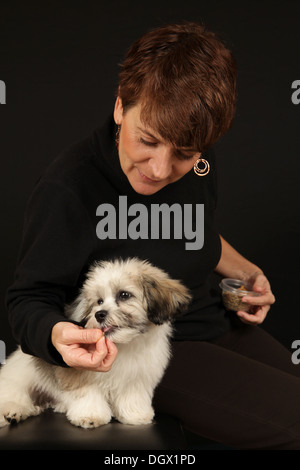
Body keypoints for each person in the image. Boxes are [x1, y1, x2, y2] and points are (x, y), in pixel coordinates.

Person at [5, 22, 300, 450]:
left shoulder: (196, 149)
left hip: (211, 320)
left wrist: (245, 270)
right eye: (148, 141)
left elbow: (192, 230)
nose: (161, 170)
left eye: (184, 154)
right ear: (121, 106)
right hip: (138, 352)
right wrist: (56, 336)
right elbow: (27, 299)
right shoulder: (68, 187)